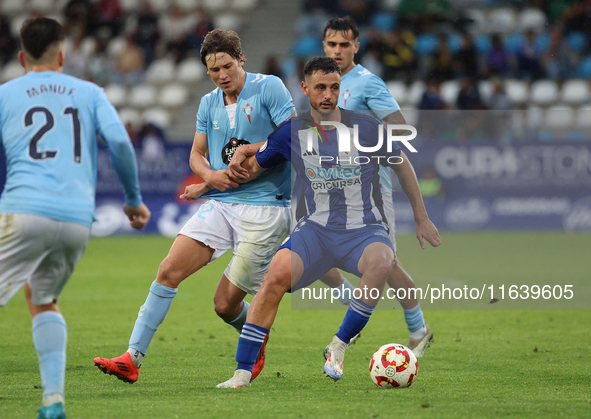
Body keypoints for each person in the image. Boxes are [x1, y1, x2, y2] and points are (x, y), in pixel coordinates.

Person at [206, 56, 440, 388]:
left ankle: (339, 345)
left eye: (334, 87)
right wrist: (209, 181)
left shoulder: (366, 127)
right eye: (320, 88)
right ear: (305, 89)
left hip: (364, 229)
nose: (328, 94)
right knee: (274, 277)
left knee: (383, 261)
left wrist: (421, 216)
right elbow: (253, 168)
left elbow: (402, 164)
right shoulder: (293, 131)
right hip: (314, 231)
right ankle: (242, 372)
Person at [93, 29, 295, 384]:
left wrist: (251, 154)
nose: (222, 75)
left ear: (241, 59)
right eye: (214, 70)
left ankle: (254, 332)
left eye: (228, 66)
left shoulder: (270, 87)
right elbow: (195, 155)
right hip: (221, 203)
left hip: (265, 208)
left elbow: (292, 134)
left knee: (223, 305)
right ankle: (132, 358)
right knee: (168, 269)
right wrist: (211, 178)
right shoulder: (208, 103)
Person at [0, 17, 150, 419]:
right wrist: (133, 200)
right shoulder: (89, 92)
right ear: (63, 54)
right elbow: (118, 140)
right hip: (76, 219)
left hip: (23, 210)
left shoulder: (6, 93)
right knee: (44, 298)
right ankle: (52, 400)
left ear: (21, 56)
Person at [320, 16, 434, 356]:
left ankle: (417, 328)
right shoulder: (323, 81)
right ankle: (365, 306)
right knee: (309, 246)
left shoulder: (368, 84)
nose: (338, 50)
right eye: (331, 44)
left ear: (357, 46)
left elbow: (400, 130)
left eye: (344, 44)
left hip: (370, 192)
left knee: (385, 264)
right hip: (331, 186)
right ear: (324, 45)